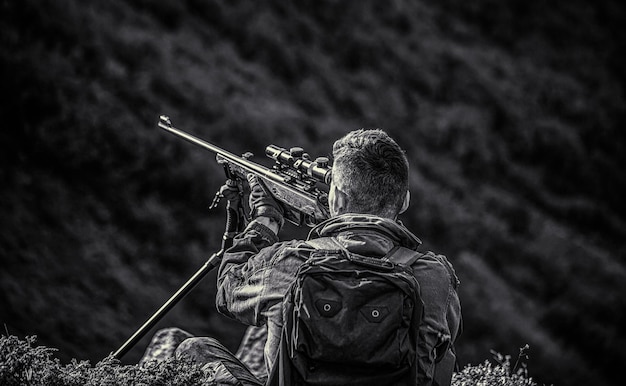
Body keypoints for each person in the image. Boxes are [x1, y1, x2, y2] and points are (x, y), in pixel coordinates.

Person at [140, 129, 462, 386]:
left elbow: (227, 290)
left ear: (335, 196)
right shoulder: (435, 277)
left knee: (193, 350)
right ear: (404, 201)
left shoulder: (291, 261)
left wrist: (265, 220)